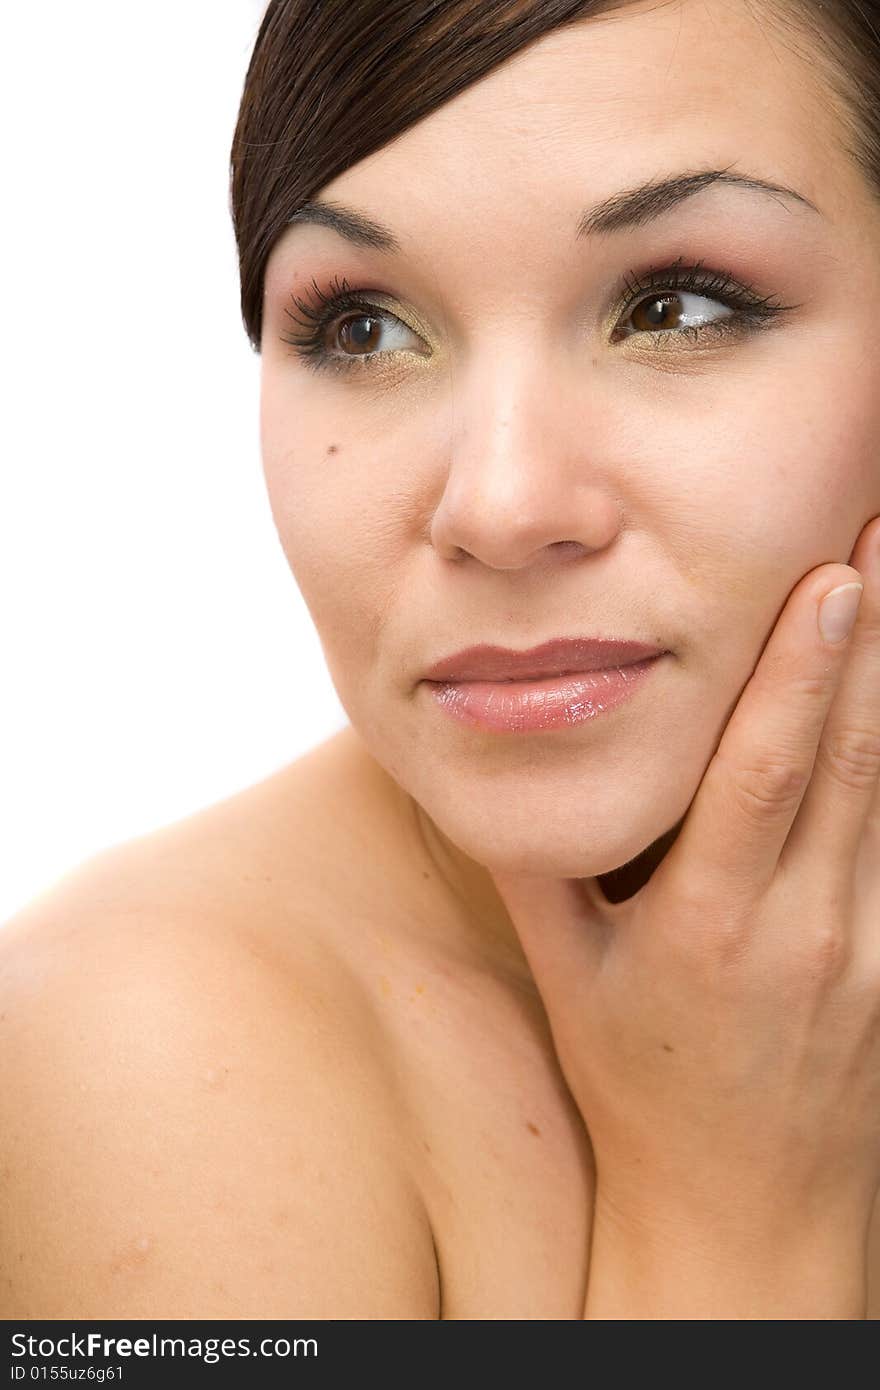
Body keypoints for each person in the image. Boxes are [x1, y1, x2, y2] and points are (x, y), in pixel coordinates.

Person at [2, 0, 880, 1319]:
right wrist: (733, 1212)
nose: (501, 502)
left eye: (677, 305)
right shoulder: (143, 1049)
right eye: (363, 326)